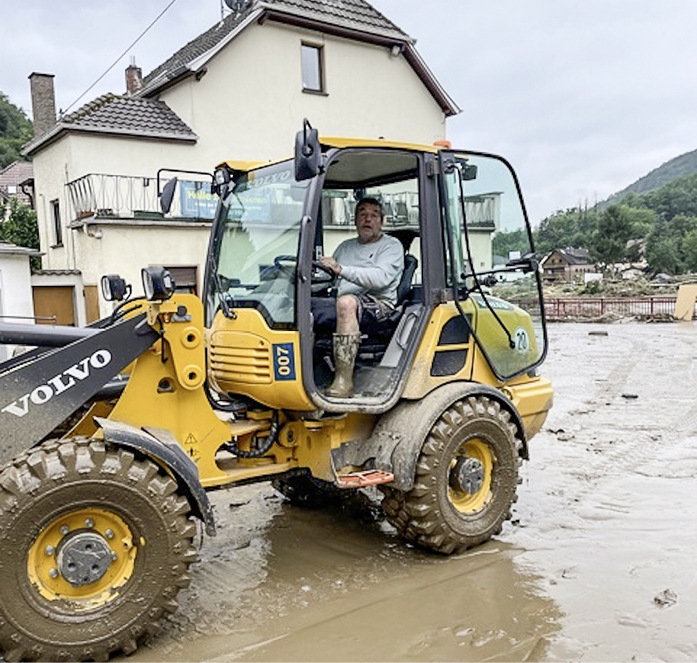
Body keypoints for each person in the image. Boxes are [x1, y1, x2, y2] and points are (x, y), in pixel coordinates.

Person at [315, 197, 404, 398]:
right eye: (362, 214)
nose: (367, 219)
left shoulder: (391, 246)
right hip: (344, 299)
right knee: (303, 303)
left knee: (346, 303)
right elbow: (331, 280)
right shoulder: (345, 247)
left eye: (373, 215)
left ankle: (343, 380)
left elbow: (380, 279)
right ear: (355, 220)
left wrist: (340, 269)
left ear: (382, 221)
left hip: (379, 303)